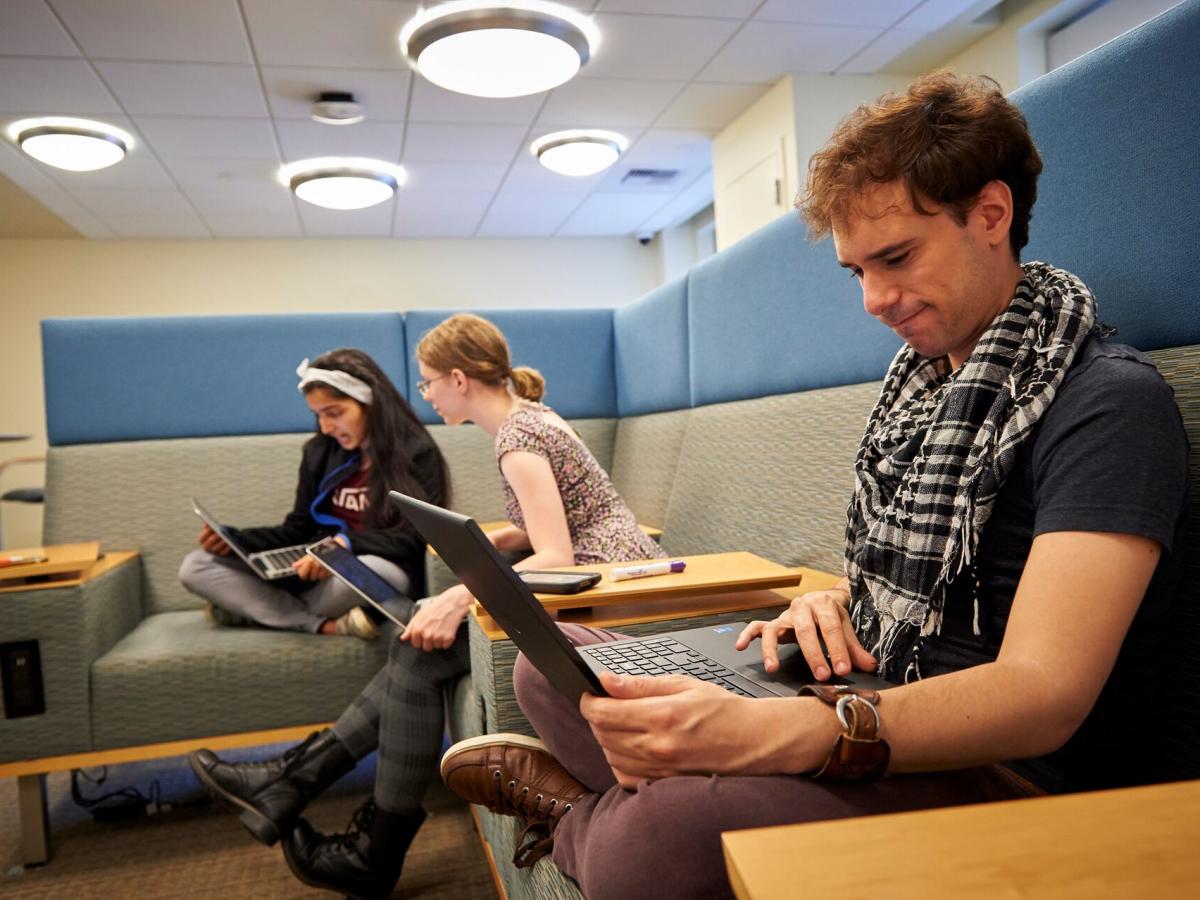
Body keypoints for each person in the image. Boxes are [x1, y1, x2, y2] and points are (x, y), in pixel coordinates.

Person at [438, 71, 1191, 899]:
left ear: (990, 214)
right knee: (547, 668)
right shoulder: (922, 393)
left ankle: (582, 816)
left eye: (896, 258)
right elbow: (899, 590)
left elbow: (1044, 696)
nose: (873, 300)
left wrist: (788, 732)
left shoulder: (1106, 402)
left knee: (651, 843)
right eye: (855, 271)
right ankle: (641, 794)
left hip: (1005, 768)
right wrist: (835, 603)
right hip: (876, 682)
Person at [188, 314, 665, 899]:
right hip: (596, 576)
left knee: (417, 653)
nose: (426, 395)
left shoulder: (517, 440)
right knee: (415, 649)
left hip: (607, 593)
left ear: (459, 379)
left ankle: (336, 820)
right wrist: (487, 541)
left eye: (428, 382)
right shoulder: (527, 420)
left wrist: (461, 593)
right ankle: (320, 806)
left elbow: (559, 554)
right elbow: (556, 524)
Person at [179, 348, 449, 639]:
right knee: (196, 566)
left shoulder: (416, 452)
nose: (325, 426)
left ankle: (255, 611)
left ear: (370, 403)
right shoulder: (318, 452)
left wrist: (345, 544)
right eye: (318, 415)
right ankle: (322, 624)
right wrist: (235, 540)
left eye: (334, 413)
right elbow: (298, 528)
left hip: (369, 572)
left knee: (369, 571)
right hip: (313, 573)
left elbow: (415, 538)